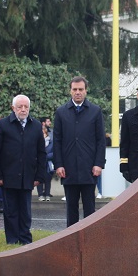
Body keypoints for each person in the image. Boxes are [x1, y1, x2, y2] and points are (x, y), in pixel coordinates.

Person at [0, 95, 46, 245]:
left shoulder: (35, 126)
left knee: (25, 210)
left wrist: (39, 175)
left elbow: (41, 152)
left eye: (26, 107)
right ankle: (12, 239)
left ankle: (25, 238)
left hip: (28, 175)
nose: (23, 110)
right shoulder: (3, 125)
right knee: (10, 211)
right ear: (13, 108)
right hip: (8, 176)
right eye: (20, 107)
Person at [53, 76, 106, 227]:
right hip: (68, 169)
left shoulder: (95, 111)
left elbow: (100, 140)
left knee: (90, 208)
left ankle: (90, 237)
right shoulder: (61, 112)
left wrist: (99, 164)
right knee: (71, 208)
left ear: (86, 91)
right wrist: (58, 164)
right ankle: (71, 237)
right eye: (75, 89)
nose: (78, 92)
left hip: (89, 168)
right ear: (70, 91)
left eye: (81, 89)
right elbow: (57, 140)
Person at [36, 122, 54, 201]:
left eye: (43, 133)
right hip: (39, 163)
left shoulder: (51, 142)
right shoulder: (37, 142)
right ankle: (40, 195)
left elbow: (54, 153)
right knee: (39, 179)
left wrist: (46, 157)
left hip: (48, 163)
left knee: (47, 179)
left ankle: (47, 195)